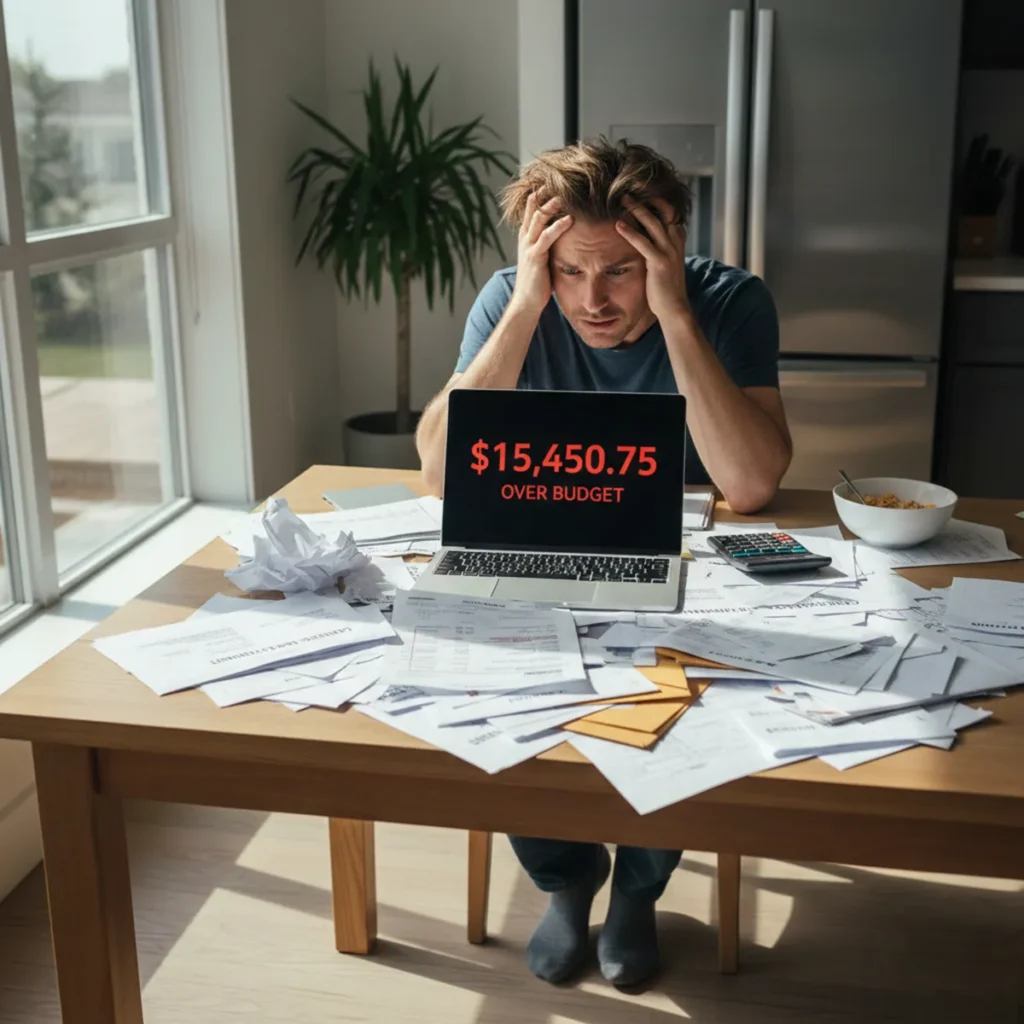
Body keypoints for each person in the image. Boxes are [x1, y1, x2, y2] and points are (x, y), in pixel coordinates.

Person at [415, 138, 793, 987]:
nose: (592, 301)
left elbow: (751, 482)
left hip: (684, 576)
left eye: (621, 271)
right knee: (504, 695)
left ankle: (639, 888)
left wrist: (678, 315)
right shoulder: (515, 298)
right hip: (535, 560)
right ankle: (568, 877)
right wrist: (522, 305)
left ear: (667, 250)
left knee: (687, 699)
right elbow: (439, 473)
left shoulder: (730, 302)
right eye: (571, 271)